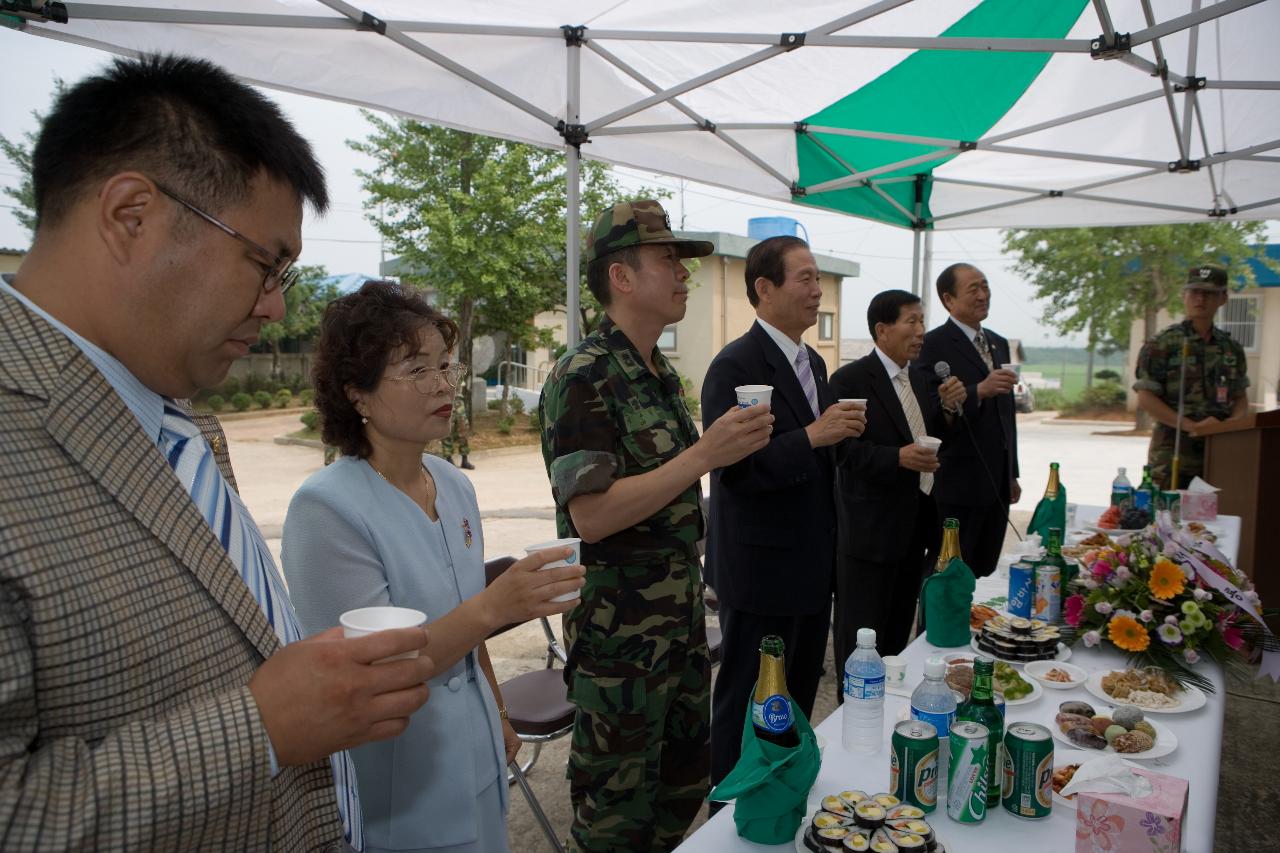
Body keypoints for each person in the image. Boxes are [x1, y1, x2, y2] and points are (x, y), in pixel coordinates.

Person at [0, 55, 434, 851]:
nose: (275, 306)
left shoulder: (179, 416)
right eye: (266, 264)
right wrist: (260, 727)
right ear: (132, 214)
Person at [282, 281, 584, 853]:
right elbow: (370, 670)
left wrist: (498, 711)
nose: (445, 384)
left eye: (446, 366)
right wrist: (497, 605)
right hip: (401, 774)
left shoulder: (451, 483)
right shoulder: (327, 508)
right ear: (358, 395)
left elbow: (468, 633)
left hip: (475, 750)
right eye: (417, 370)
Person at [539, 199, 774, 852]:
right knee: (617, 819)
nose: (683, 274)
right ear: (621, 276)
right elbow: (591, 513)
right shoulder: (584, 376)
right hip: (618, 645)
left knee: (679, 791)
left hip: (675, 628)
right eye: (667, 259)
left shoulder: (659, 373)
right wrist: (705, 454)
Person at [701, 235, 866, 785]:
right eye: (805, 279)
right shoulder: (735, 366)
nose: (818, 291)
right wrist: (816, 436)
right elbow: (737, 471)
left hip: (811, 564)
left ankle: (785, 787)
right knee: (748, 698)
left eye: (819, 279)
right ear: (764, 288)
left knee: (795, 692)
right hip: (760, 569)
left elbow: (812, 455)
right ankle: (732, 806)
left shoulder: (812, 362)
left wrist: (838, 435)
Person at [829, 290, 966, 665]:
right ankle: (852, 710)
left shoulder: (921, 380)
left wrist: (950, 410)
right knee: (860, 640)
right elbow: (841, 452)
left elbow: (935, 437)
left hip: (915, 529)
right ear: (882, 329)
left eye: (922, 321)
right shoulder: (850, 381)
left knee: (895, 638)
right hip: (869, 536)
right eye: (912, 321)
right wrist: (897, 458)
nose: (921, 331)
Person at [917, 263, 1020, 578]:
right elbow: (929, 411)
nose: (983, 295)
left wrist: (1011, 473)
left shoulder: (998, 342)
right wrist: (978, 391)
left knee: (985, 571)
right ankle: (934, 629)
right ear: (948, 299)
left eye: (985, 286)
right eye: (973, 289)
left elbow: (1007, 416)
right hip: (957, 484)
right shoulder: (932, 345)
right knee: (949, 575)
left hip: (997, 482)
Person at [1134, 263, 1251, 489]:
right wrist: (1190, 426)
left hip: (1219, 451)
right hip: (1173, 452)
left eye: (1208, 293)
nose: (1200, 299)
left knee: (1215, 517)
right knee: (1165, 516)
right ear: (1184, 296)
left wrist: (1229, 426)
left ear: (1223, 299)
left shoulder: (1231, 348)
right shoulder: (1162, 344)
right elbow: (1146, 398)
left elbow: (1240, 397)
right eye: (1194, 292)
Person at [439, 379, 476, 469]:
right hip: (447, 401)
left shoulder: (457, 369)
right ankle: (448, 459)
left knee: (463, 431)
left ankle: (465, 459)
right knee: (448, 431)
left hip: (459, 401)